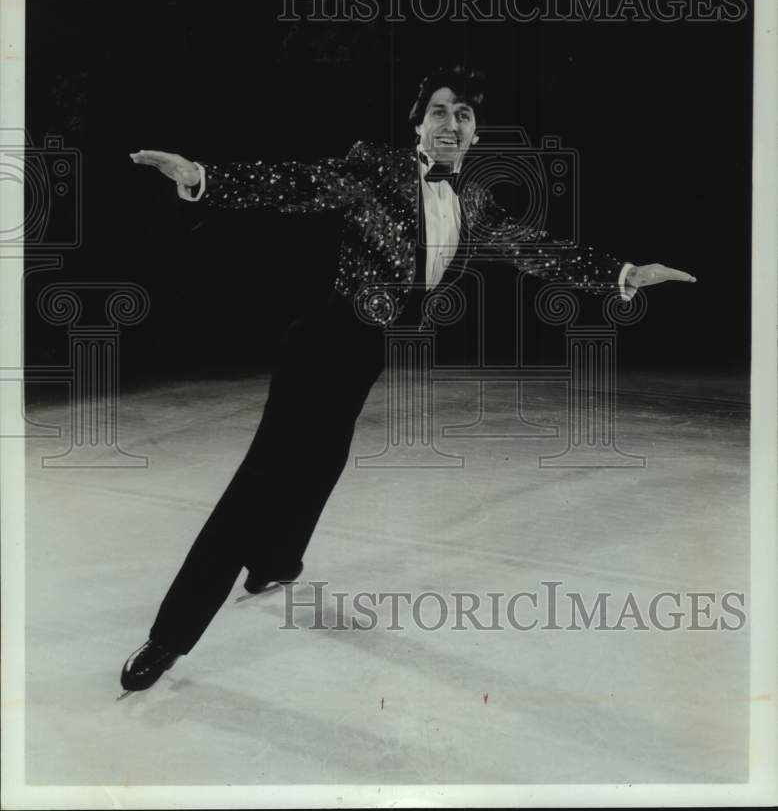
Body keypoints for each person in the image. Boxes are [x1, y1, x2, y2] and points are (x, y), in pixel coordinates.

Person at [121, 65, 696, 691]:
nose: (452, 124)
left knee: (324, 460)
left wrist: (626, 273)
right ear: (418, 122)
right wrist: (203, 178)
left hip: (370, 348)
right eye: (441, 112)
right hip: (323, 339)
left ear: (476, 133)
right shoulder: (376, 167)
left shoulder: (472, 200)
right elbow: (298, 184)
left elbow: (538, 248)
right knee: (264, 478)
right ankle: (169, 638)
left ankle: (275, 561)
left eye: (465, 116)